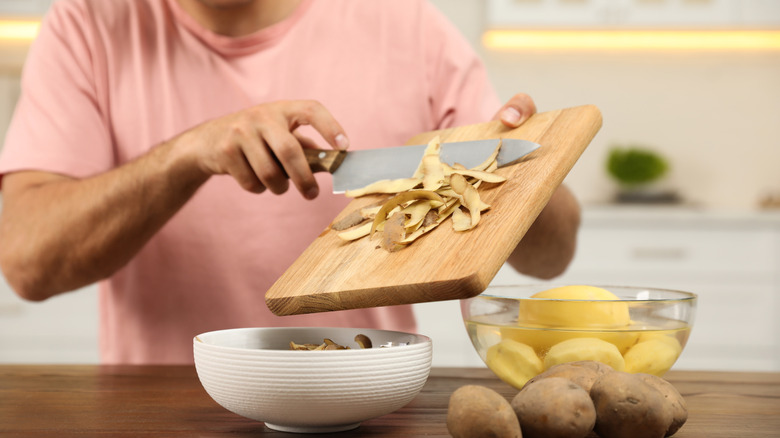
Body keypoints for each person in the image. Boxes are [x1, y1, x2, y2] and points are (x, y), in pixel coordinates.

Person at [0, 0, 580, 364]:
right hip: (159, 408)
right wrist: (182, 157)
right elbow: (27, 262)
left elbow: (552, 255)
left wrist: (522, 174)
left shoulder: (407, 21)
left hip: (372, 398)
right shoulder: (86, 23)